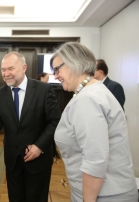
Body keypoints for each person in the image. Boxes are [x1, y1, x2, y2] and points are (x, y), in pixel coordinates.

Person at [51, 42, 138, 202]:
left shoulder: (87, 99)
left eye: (57, 69)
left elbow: (95, 160)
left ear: (74, 63)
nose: (55, 75)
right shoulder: (93, 91)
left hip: (104, 195)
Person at [0, 52, 61, 202]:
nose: (6, 74)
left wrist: (39, 146)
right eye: (3, 69)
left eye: (10, 69)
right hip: (12, 159)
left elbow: (55, 122)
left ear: (24, 67)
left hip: (38, 160)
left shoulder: (43, 90)